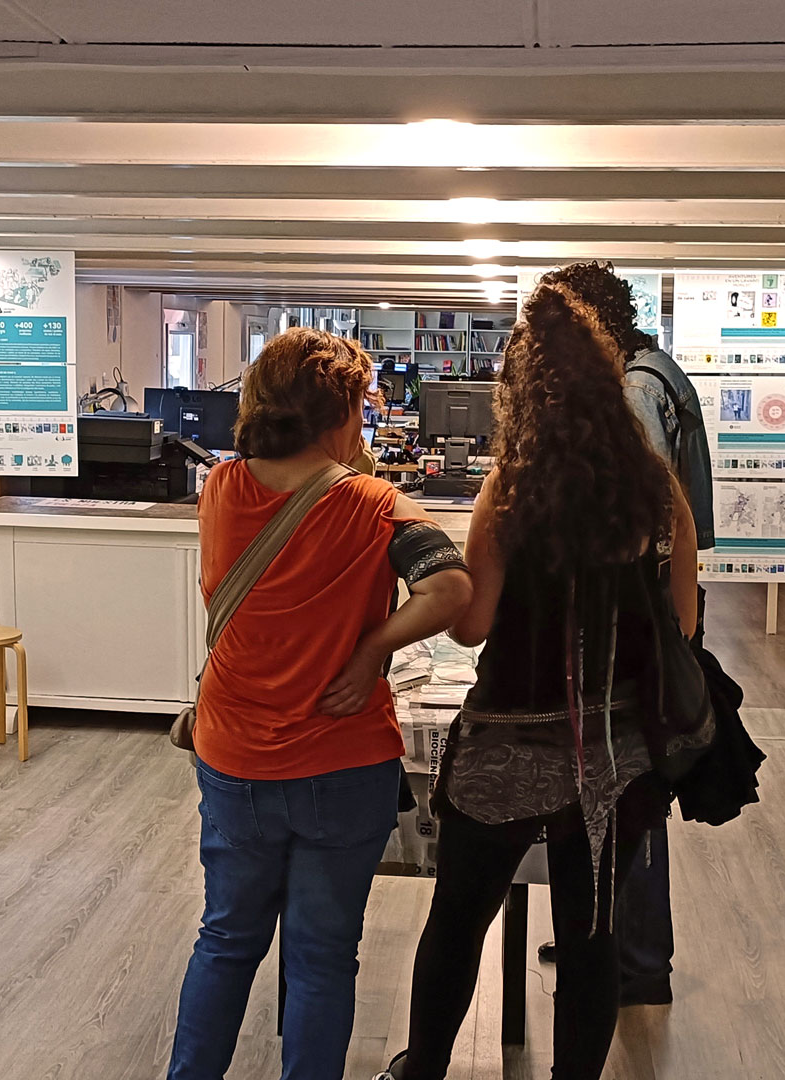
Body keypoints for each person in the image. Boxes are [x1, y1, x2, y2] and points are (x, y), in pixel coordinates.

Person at [379, 285, 699, 1080]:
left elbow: (472, 624)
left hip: (506, 751)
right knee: (591, 936)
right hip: (620, 756)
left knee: (457, 920)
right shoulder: (658, 491)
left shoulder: (512, 488)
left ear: (519, 393)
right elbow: (684, 625)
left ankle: (423, 1072)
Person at [168, 328, 473, 1080]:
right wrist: (372, 648)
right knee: (323, 953)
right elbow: (452, 589)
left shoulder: (222, 487)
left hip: (235, 755)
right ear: (340, 408)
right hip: (344, 760)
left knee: (227, 939)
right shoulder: (374, 503)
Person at [535, 260, 718, 1006]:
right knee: (613, 790)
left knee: (629, 791)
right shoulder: (655, 371)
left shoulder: (635, 389)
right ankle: (600, 936)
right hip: (652, 618)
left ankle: (635, 961)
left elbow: (632, 519)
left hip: (633, 624)